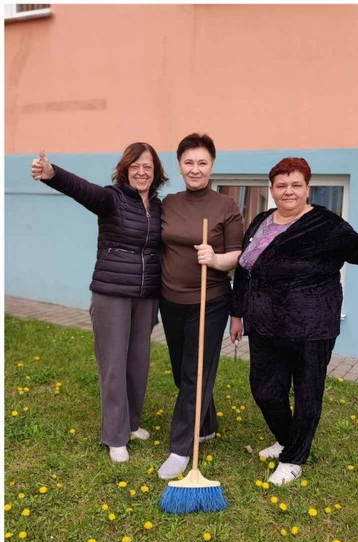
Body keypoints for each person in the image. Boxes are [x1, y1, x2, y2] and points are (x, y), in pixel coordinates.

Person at [229, 157, 358, 486]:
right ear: (272, 189)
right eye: (281, 185)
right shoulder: (262, 221)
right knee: (265, 391)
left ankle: (293, 459)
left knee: (307, 394)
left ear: (307, 188)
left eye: (296, 185)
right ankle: (285, 440)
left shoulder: (325, 224)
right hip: (264, 324)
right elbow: (245, 268)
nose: (288, 191)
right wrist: (238, 312)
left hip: (311, 326)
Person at [30, 143, 168, 463]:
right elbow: (83, 190)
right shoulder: (112, 199)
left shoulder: (160, 207)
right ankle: (115, 436)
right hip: (112, 294)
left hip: (146, 295)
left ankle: (131, 424)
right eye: (135, 166)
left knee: (138, 363)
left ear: (156, 172)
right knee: (114, 366)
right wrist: (53, 174)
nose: (141, 171)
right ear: (125, 169)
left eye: (147, 166)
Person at [157, 133, 244, 479]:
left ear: (212, 165)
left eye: (202, 162)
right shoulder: (169, 203)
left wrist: (217, 258)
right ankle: (205, 425)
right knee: (183, 372)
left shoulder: (226, 206)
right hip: (170, 300)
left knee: (195, 374)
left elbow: (239, 256)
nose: (195, 169)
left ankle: (181, 449)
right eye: (189, 162)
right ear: (179, 165)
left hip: (210, 301)